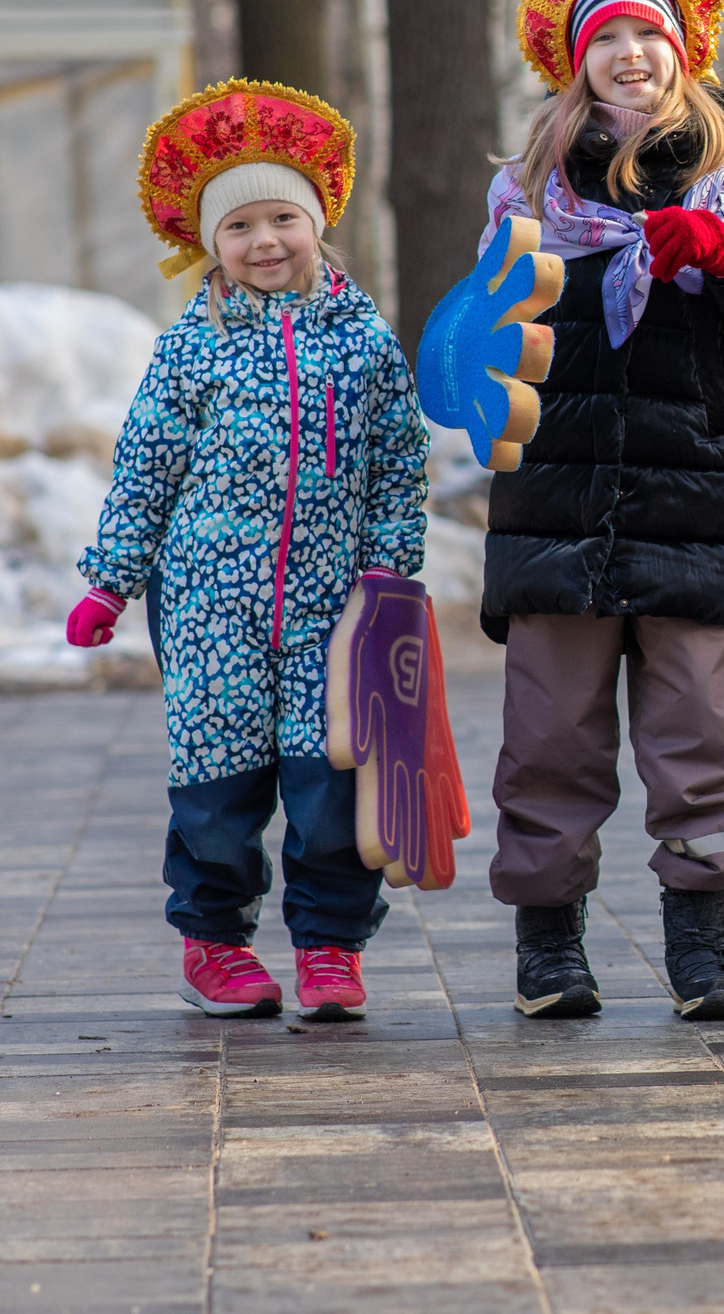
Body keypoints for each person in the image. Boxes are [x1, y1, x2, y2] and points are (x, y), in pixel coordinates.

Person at [482, 0, 724, 1022]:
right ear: (579, 62)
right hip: (555, 507)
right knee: (549, 738)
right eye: (608, 38)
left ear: (683, 51)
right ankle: (549, 946)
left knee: (700, 738)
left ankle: (703, 946)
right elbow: (480, 342)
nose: (631, 54)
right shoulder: (528, 189)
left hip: (694, 499)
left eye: (649, 36)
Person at [68, 81, 428, 1022]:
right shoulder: (192, 346)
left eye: (283, 218)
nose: (265, 241)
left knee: (329, 787)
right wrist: (110, 581)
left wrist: (391, 565)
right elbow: (146, 465)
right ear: (208, 244)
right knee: (219, 787)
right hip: (208, 610)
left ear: (317, 223)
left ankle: (330, 949)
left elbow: (399, 463)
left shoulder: (366, 344)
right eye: (239, 227)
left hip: (331, 610)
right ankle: (214, 942)